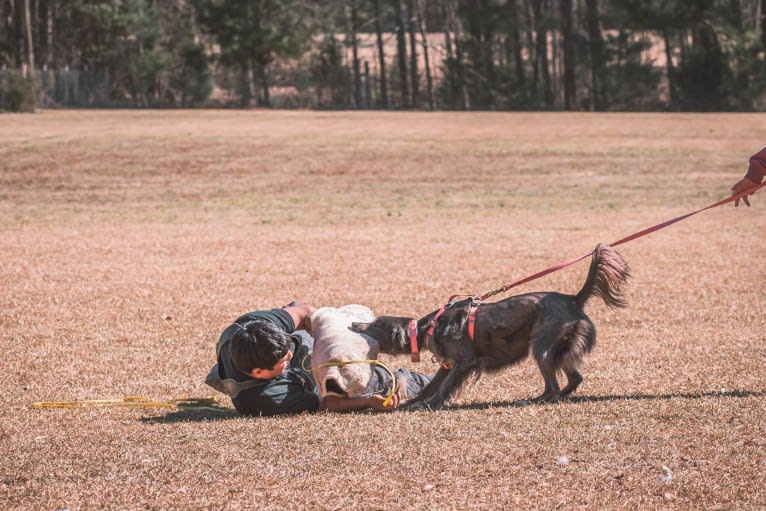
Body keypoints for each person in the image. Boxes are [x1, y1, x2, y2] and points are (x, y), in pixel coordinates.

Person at [205, 302, 431, 416]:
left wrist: (328, 336)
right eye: (282, 361)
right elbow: (326, 404)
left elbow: (302, 311)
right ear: (259, 373)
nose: (290, 355)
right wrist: (368, 402)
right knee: (377, 382)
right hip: (307, 379)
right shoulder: (267, 399)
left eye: (287, 351)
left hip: (308, 340)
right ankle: (429, 381)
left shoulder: (248, 327)